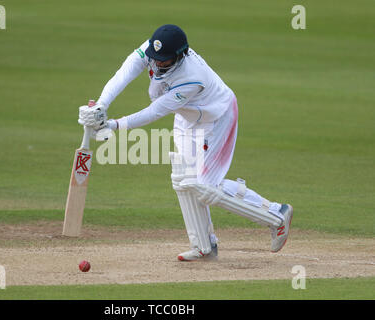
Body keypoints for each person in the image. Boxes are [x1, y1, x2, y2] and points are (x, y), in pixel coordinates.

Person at [78, 24, 293, 261]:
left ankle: (276, 214)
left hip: (216, 118)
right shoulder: (153, 50)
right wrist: (101, 105)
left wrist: (113, 125)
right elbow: (125, 72)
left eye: (164, 61)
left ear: (179, 56)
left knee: (205, 188)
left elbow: (155, 111)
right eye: (155, 59)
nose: (158, 64)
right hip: (186, 115)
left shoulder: (192, 77)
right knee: (183, 179)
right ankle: (204, 246)